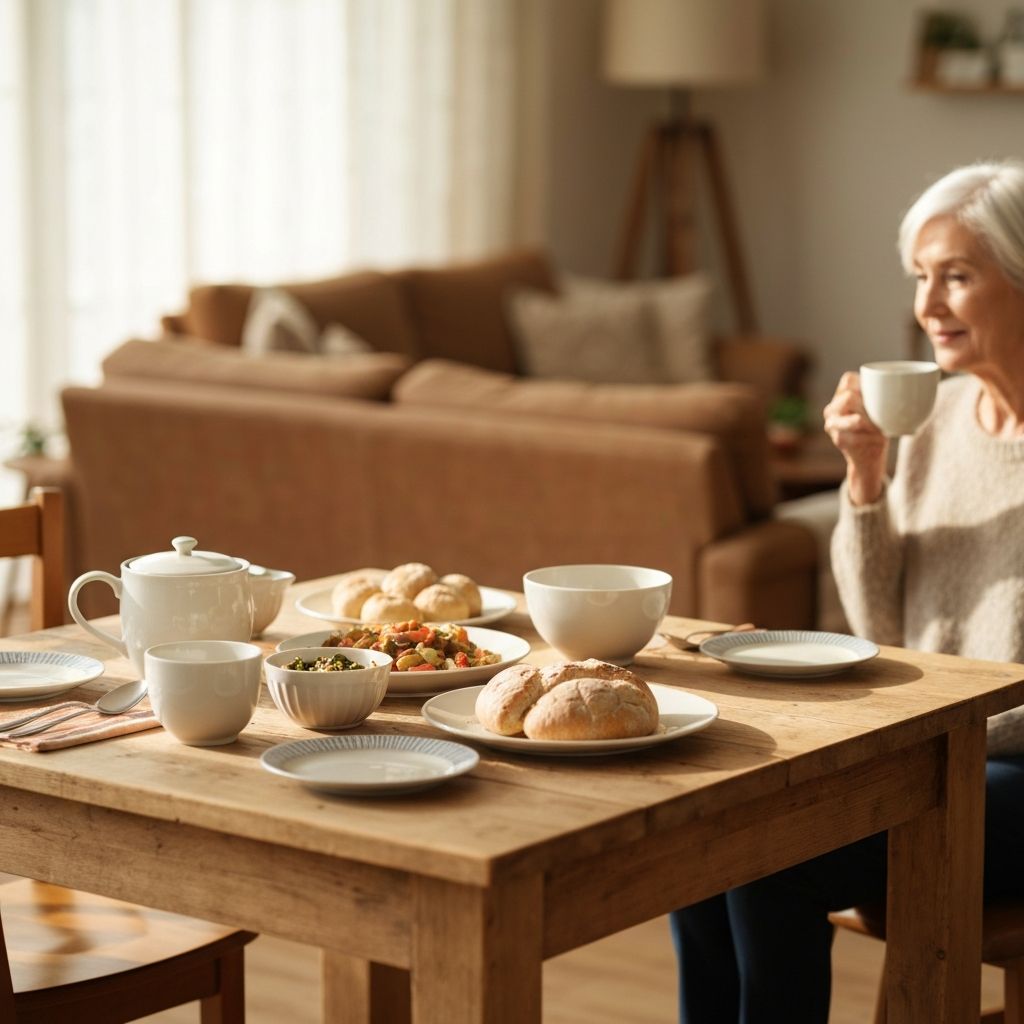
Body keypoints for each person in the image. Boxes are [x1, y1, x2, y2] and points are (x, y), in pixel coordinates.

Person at [670, 160, 1024, 1023]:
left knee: (774, 857)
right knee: (702, 833)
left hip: (1004, 760)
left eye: (958, 277)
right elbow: (881, 625)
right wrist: (865, 478)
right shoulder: (934, 421)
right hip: (939, 743)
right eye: (920, 278)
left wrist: (944, 728)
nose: (927, 306)